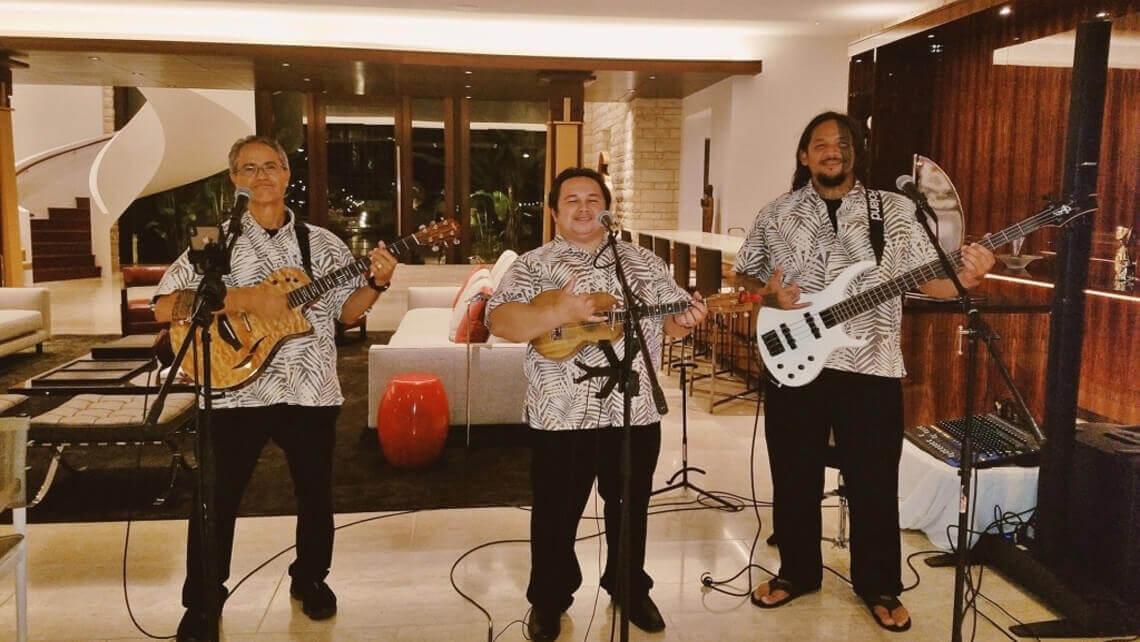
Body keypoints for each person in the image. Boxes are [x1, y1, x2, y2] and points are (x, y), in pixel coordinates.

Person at [733, 112, 994, 632]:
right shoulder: (776, 213)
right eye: (821, 144)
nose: (832, 151)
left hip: (870, 364)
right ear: (804, 156)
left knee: (874, 480)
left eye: (842, 143)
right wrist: (768, 294)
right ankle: (798, 572)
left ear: (856, 153)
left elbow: (934, 283)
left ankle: (879, 584)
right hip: (793, 360)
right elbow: (744, 272)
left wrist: (970, 274)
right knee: (793, 475)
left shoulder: (894, 211)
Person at [153, 135, 397, 641]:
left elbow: (346, 315)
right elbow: (162, 306)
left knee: (315, 496)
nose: (261, 176)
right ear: (234, 180)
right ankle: (203, 600)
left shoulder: (323, 244)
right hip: (230, 389)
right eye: (249, 168)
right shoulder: (210, 243)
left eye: (271, 167)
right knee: (215, 499)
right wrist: (245, 299)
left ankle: (310, 579)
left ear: (287, 176)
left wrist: (376, 284)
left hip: (310, 391)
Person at [487, 167, 708, 641]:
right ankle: (549, 599)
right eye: (571, 200)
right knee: (554, 511)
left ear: (605, 208)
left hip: (635, 409)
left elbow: (668, 324)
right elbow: (502, 322)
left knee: (631, 506)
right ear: (553, 212)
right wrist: (557, 312)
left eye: (593, 198)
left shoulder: (643, 263)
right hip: (559, 411)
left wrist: (687, 322)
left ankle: (629, 588)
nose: (584, 208)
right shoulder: (532, 265)